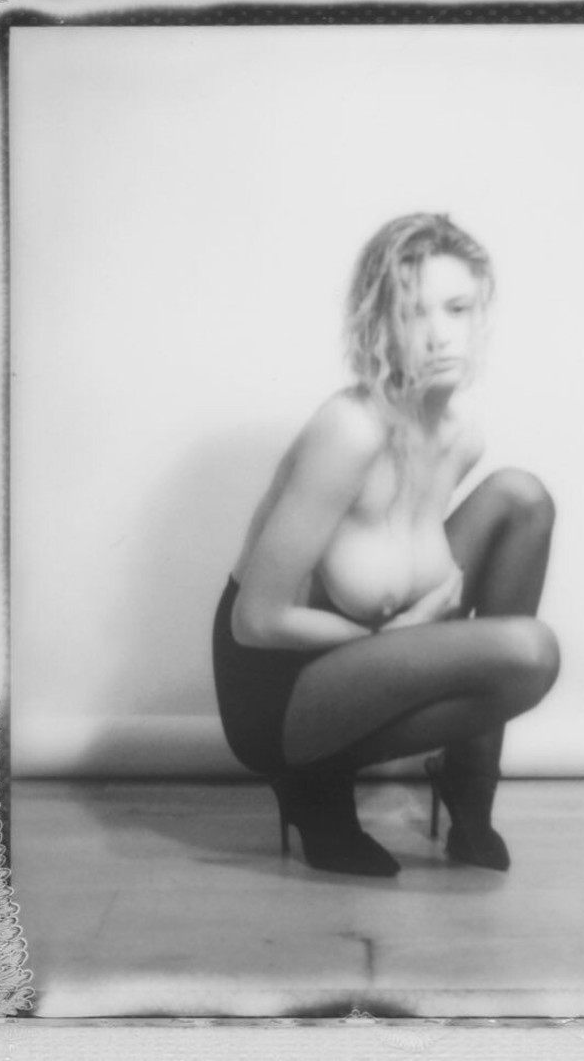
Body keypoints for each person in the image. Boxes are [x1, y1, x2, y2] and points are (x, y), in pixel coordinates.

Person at [212, 213, 560, 878]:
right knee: (531, 653)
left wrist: (408, 629)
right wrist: (398, 634)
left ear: (480, 316)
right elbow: (254, 621)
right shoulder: (350, 431)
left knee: (522, 499)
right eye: (412, 312)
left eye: (457, 308)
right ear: (379, 325)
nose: (439, 333)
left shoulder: (460, 437)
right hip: (278, 688)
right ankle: (313, 783)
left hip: (367, 651)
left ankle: (469, 781)